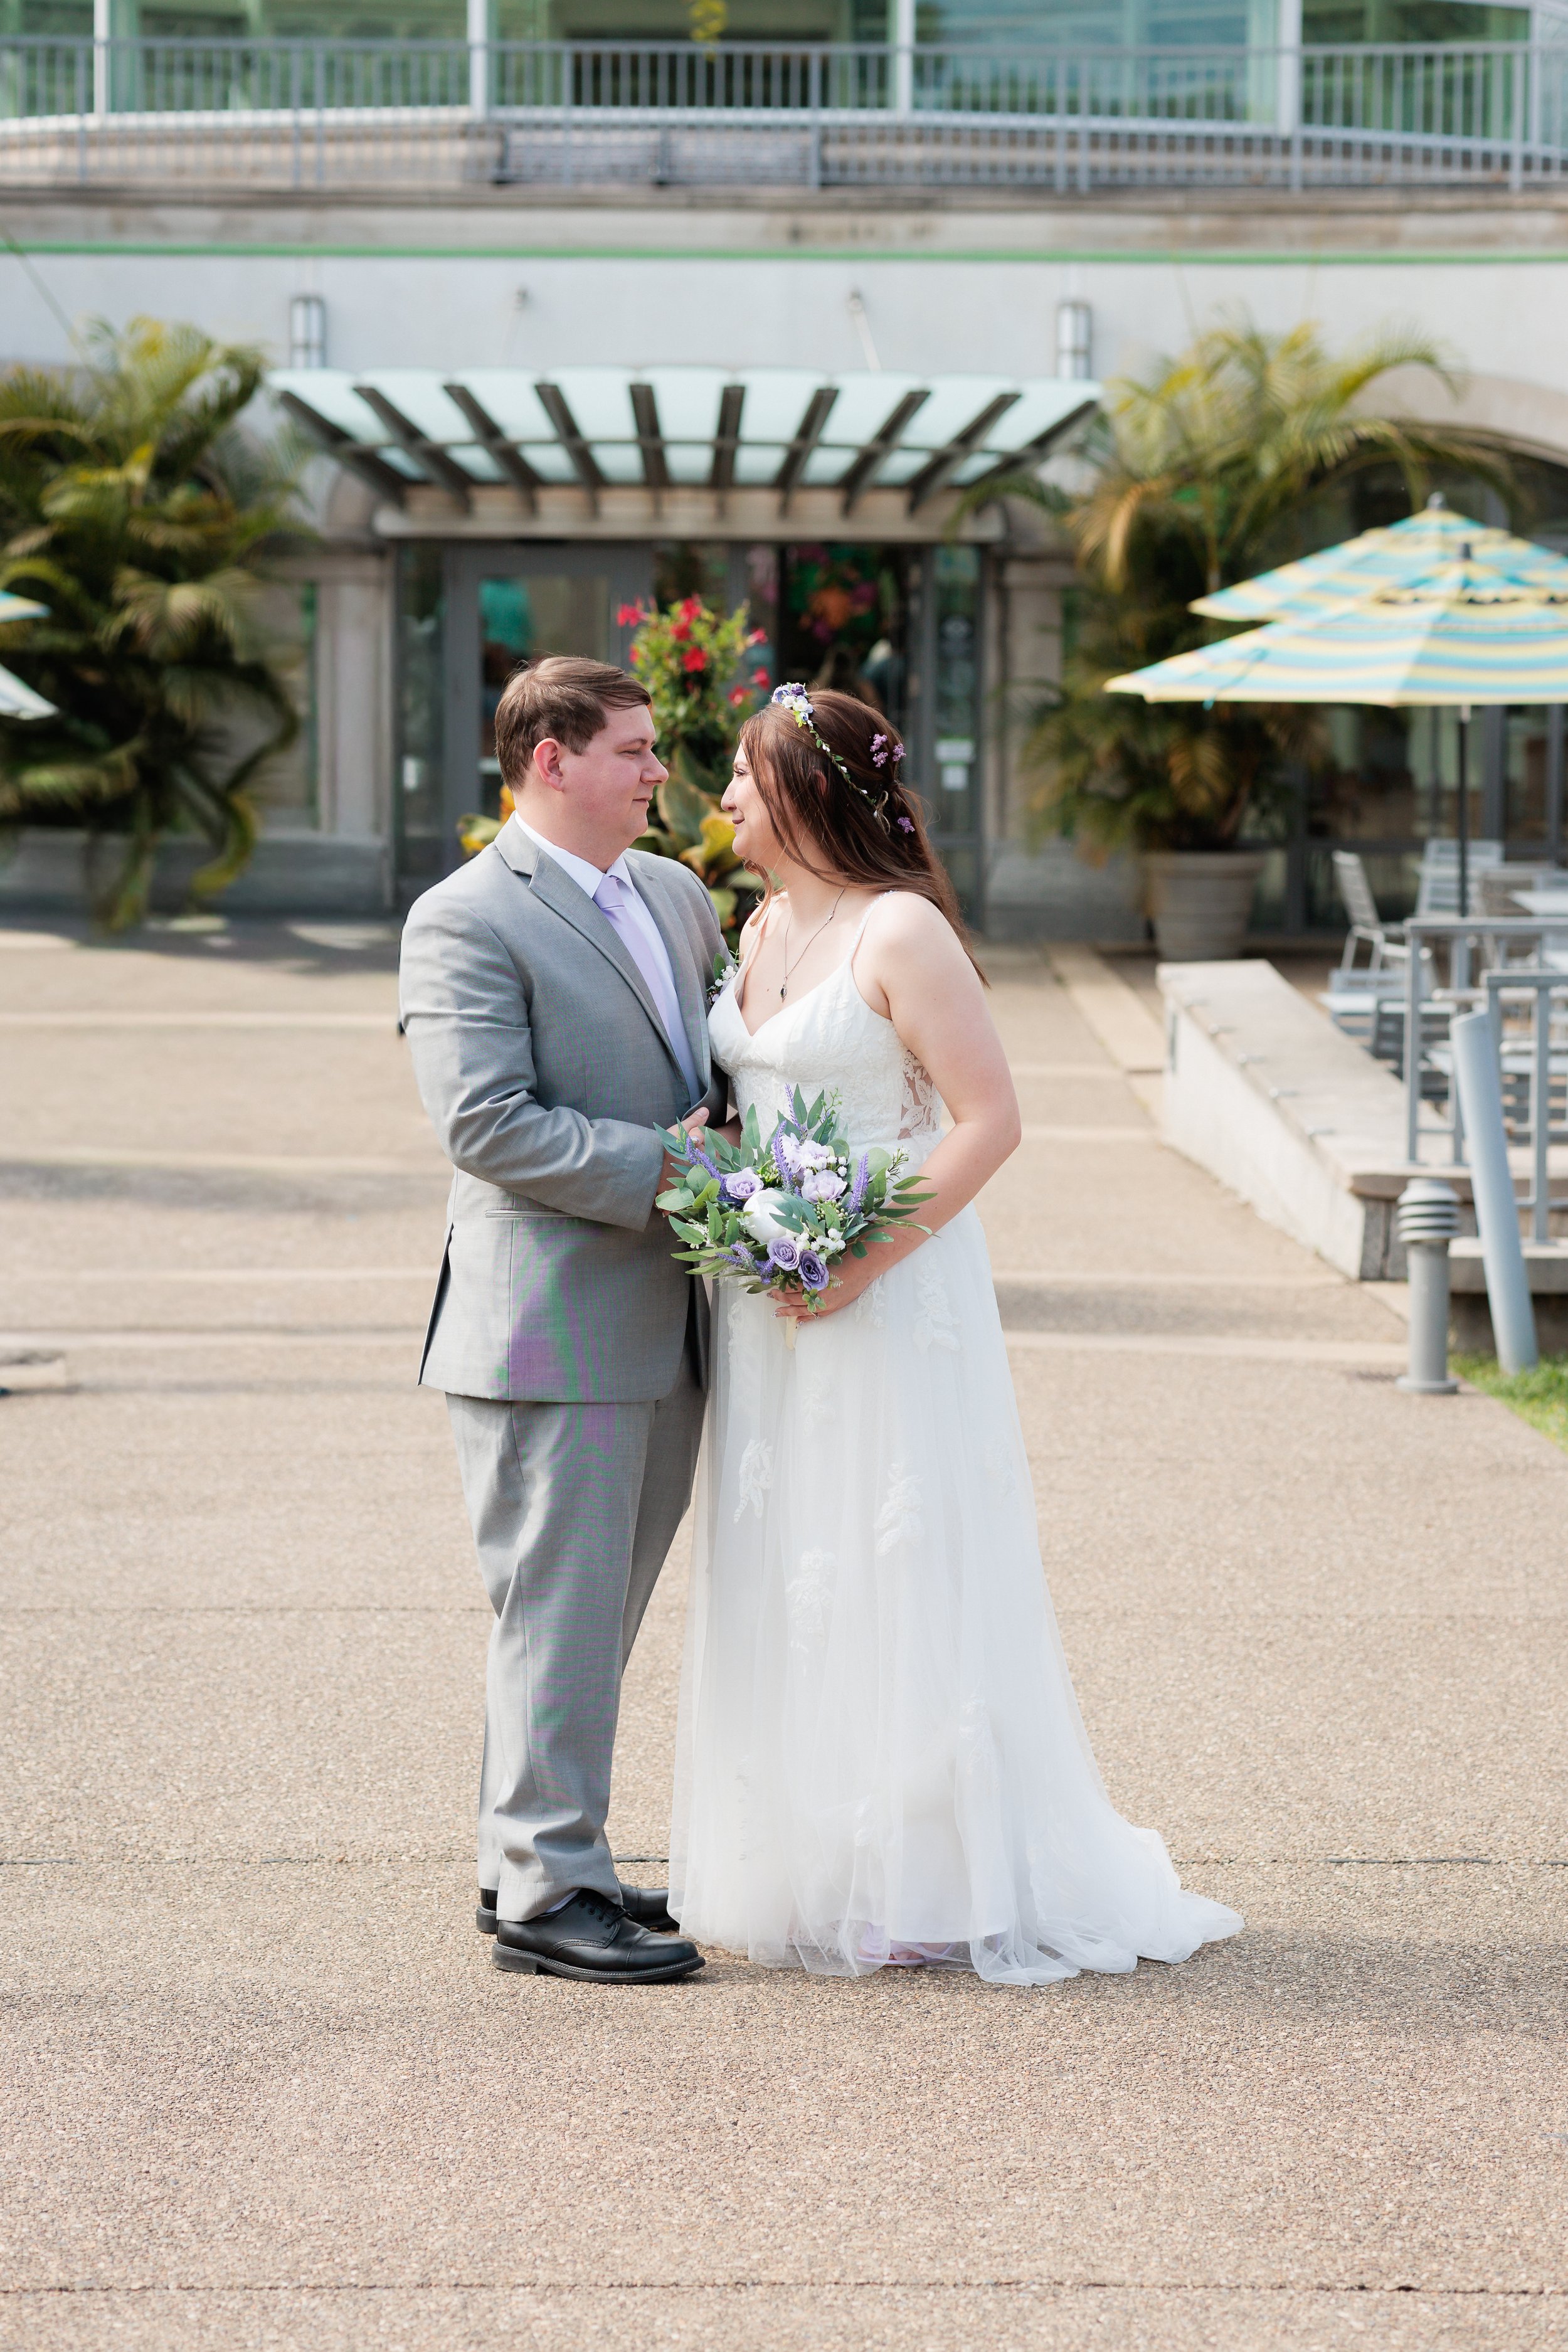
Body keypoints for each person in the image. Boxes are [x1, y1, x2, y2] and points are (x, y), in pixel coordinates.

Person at [670, 686, 1244, 1986]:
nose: (722, 803)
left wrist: (858, 1256)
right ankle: (811, 1855)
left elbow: (986, 1120)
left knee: (892, 1560)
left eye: (743, 783)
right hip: (771, 1304)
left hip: (887, 1291)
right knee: (791, 1561)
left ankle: (929, 1869)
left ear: (806, 795)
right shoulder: (755, 924)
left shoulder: (899, 930)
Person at [400, 655, 724, 1985]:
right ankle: (546, 1894)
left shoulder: (675, 892)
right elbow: (483, 1123)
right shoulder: (465, 917)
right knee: (556, 1612)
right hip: (547, 1328)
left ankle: (530, 1856)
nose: (660, 773)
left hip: (665, 1321)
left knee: (586, 1614)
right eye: (635, 751)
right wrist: (673, 1168)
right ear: (550, 759)